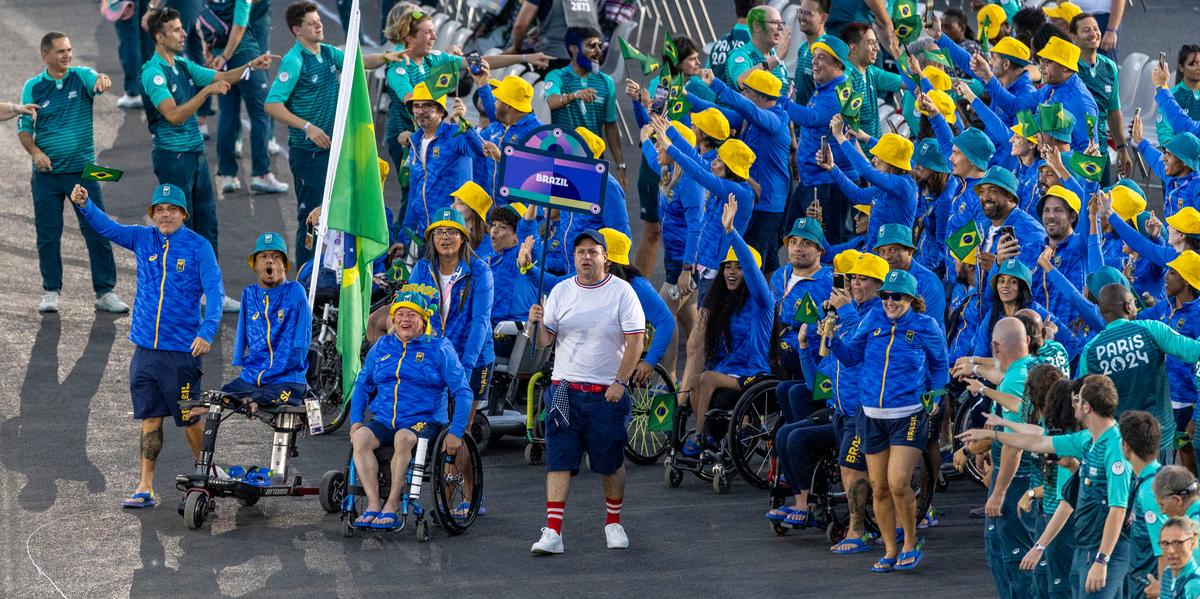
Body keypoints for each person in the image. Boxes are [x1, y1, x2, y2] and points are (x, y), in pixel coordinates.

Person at [68, 183, 223, 509]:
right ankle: (145, 487)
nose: (165, 215)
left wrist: (207, 332)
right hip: (145, 352)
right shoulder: (144, 237)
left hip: (181, 353)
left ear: (183, 213)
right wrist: (85, 205)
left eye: (172, 209)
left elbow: (215, 292)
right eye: (159, 210)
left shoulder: (199, 247)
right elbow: (108, 228)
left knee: (190, 418)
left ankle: (207, 473)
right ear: (153, 214)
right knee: (150, 419)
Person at [141, 6, 272, 315]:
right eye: (175, 29)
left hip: (195, 156)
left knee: (207, 228)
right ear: (159, 37)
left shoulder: (183, 64)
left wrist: (251, 65)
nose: (183, 32)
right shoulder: (152, 72)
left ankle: (211, 294)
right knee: (177, 231)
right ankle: (180, 300)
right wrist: (206, 93)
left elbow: (223, 75)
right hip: (173, 158)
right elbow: (172, 114)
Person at [959, 374, 1132, 598]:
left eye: (1077, 400)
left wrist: (1102, 559)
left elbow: (1117, 509)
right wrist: (993, 434)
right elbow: (1040, 441)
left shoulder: (1114, 448)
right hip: (1086, 547)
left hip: (1105, 550)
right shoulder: (1088, 440)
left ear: (1087, 407)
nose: (1073, 404)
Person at [527, 229, 645, 554]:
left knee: (610, 462)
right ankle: (553, 531)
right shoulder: (561, 291)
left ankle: (613, 522)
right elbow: (544, 342)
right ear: (574, 257)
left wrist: (621, 382)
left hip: (606, 392)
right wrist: (534, 322)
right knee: (558, 460)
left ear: (605, 257)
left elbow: (636, 341)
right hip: (564, 389)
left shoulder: (622, 293)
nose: (586, 257)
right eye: (580, 252)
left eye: (593, 252)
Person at [265, 1, 401, 267]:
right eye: (312, 23)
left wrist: (386, 57)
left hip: (333, 149)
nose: (319, 25)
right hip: (309, 154)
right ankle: (306, 276)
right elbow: (272, 104)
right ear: (296, 30)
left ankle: (329, 273)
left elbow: (360, 62)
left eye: (319, 20)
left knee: (334, 212)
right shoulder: (294, 61)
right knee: (312, 216)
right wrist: (307, 126)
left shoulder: (327, 53)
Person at [831, 268, 948, 572]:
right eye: (885, 295)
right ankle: (890, 549)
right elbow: (851, 356)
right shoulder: (872, 320)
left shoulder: (926, 326)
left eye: (897, 296)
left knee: (898, 483)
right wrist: (831, 340)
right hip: (871, 414)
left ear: (911, 298)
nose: (890, 301)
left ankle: (910, 541)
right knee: (878, 487)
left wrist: (933, 398)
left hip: (908, 413)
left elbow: (940, 367)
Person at [18, 32, 126, 315]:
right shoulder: (33, 87)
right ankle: (51, 291)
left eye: (69, 49)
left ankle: (105, 291)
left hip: (84, 172)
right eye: (60, 51)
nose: (67, 55)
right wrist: (36, 154)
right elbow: (24, 130)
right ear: (45, 55)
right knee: (48, 234)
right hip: (46, 175)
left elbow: (97, 79)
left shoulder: (81, 76)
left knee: (97, 229)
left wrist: (102, 80)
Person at [347, 291, 472, 529]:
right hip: (385, 420)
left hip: (424, 421)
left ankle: (392, 503)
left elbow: (463, 392)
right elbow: (363, 384)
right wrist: (355, 421)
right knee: (360, 437)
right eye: (400, 314)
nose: (405, 320)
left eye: (412, 315)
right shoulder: (382, 346)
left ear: (423, 321)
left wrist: (457, 431)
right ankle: (374, 504)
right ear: (393, 320)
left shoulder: (439, 348)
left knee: (403, 437)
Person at [678, 197, 774, 454]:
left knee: (706, 378)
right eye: (728, 267)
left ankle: (701, 436)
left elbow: (753, 270)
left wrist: (731, 233)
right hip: (729, 372)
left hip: (754, 374)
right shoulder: (724, 304)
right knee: (697, 380)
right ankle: (712, 435)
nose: (732, 272)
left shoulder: (762, 302)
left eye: (739, 268)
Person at [960, 317, 1040, 599]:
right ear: (1027, 342)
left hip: (1018, 479)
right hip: (1035, 475)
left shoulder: (1014, 380)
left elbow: (1014, 446)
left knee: (1011, 553)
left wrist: (999, 491)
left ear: (995, 346)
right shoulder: (1035, 366)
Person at [1079, 284, 1200, 459]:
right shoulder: (1151, 329)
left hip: (1119, 443)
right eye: (1133, 302)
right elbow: (1195, 352)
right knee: (1160, 486)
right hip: (1159, 438)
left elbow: (1085, 401)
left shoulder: (1090, 350)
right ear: (1128, 307)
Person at [406, 208, 494, 434]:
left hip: (474, 358)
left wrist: (464, 368)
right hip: (435, 355)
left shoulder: (480, 271)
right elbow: (411, 315)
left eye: (452, 232)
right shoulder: (422, 269)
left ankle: (456, 470)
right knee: (425, 422)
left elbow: (480, 323)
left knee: (461, 429)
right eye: (439, 233)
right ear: (431, 239)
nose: (445, 238)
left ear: (463, 238)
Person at [696, 67, 789, 271]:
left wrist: (715, 84)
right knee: (768, 261)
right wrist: (687, 97)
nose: (742, 95)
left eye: (746, 92)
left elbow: (750, 110)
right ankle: (775, 301)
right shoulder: (751, 117)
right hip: (754, 198)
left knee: (750, 263)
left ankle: (758, 302)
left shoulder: (775, 120)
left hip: (767, 205)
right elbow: (717, 112)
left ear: (761, 97)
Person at [206, 0, 289, 196]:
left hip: (219, 58)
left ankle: (227, 175)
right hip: (244, 56)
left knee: (227, 115)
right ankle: (261, 174)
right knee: (261, 112)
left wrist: (214, 53)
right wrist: (226, 56)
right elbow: (240, 26)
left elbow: (203, 28)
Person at [221, 232, 311, 409]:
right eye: (263, 256)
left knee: (260, 400)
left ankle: (254, 400)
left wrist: (296, 362)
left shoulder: (295, 291)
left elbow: (304, 335)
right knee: (217, 398)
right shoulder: (249, 293)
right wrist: (238, 356)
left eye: (276, 257)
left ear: (284, 265)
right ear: (255, 265)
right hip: (252, 378)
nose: (269, 261)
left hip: (286, 379)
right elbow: (241, 332)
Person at [543, 27, 624, 186]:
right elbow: (551, 102)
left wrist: (620, 165)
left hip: (593, 160)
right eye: (591, 46)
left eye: (599, 45)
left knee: (589, 208)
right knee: (559, 209)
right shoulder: (557, 76)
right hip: (561, 158)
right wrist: (574, 95)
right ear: (574, 49)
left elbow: (611, 125)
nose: (598, 51)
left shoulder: (606, 82)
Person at [1069, 13, 1130, 181]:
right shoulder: (1068, 67)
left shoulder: (1110, 67)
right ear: (1074, 37)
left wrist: (1122, 148)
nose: (1093, 33)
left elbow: (1113, 111)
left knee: (1100, 201)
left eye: (1095, 29)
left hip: (1100, 148)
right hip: (1074, 151)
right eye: (1086, 30)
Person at [1115, 411, 1164, 598]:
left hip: (1149, 585)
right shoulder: (1151, 478)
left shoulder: (1149, 492)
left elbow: (1164, 547)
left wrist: (1162, 589)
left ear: (1125, 447)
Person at [871, 224, 947, 331]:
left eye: (893, 250)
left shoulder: (929, 282)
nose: (887, 257)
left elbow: (929, 329)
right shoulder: (880, 278)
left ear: (910, 251)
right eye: (882, 251)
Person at [841, 22, 903, 140]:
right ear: (853, 48)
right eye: (871, 43)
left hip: (873, 152)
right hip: (858, 155)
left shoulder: (871, 71)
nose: (877, 48)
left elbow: (907, 82)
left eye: (876, 43)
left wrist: (896, 52)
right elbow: (849, 130)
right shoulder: (846, 78)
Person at [507, 0, 600, 68]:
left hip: (552, 57)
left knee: (509, 66)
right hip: (585, 61)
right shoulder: (590, 2)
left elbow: (520, 26)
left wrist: (515, 48)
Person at [725, 5, 790, 93]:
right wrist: (776, 58)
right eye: (775, 23)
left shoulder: (775, 55)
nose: (780, 28)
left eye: (781, 23)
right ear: (757, 26)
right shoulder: (740, 55)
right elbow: (742, 82)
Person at [706, 0, 760, 89]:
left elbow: (706, 77)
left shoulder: (719, 43)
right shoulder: (758, 43)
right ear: (759, 11)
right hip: (743, 101)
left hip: (716, 100)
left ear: (734, 8)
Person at [1155, 45, 1200, 148]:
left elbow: (1187, 126)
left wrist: (1161, 87)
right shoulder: (1172, 95)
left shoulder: (1166, 98)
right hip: (1180, 157)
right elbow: (1165, 133)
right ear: (1181, 67)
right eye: (1192, 64)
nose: (1198, 67)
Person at [790, 0, 829, 106]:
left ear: (823, 18)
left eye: (808, 13)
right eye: (800, 11)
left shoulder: (827, 51)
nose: (802, 17)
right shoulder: (802, 47)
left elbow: (827, 97)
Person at [1156, 518, 1200, 599]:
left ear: (1192, 542)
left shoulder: (1195, 585)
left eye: (1178, 543)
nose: (1171, 550)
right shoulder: (1167, 573)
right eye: (1165, 543)